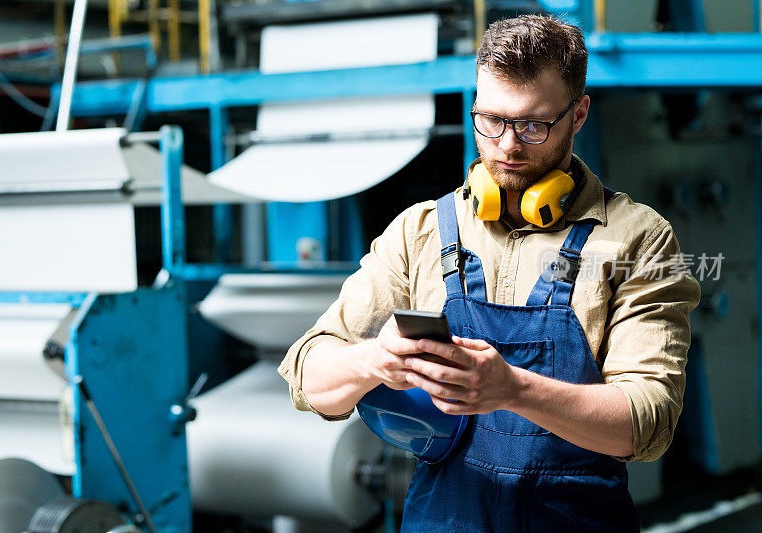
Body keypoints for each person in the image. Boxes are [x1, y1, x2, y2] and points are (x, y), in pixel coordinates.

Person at [279, 14, 700, 532]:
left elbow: (648, 421)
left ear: (579, 114)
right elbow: (307, 375)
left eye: (533, 125)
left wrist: (514, 391)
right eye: (491, 120)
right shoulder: (421, 232)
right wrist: (373, 359)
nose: (507, 145)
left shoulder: (639, 240)